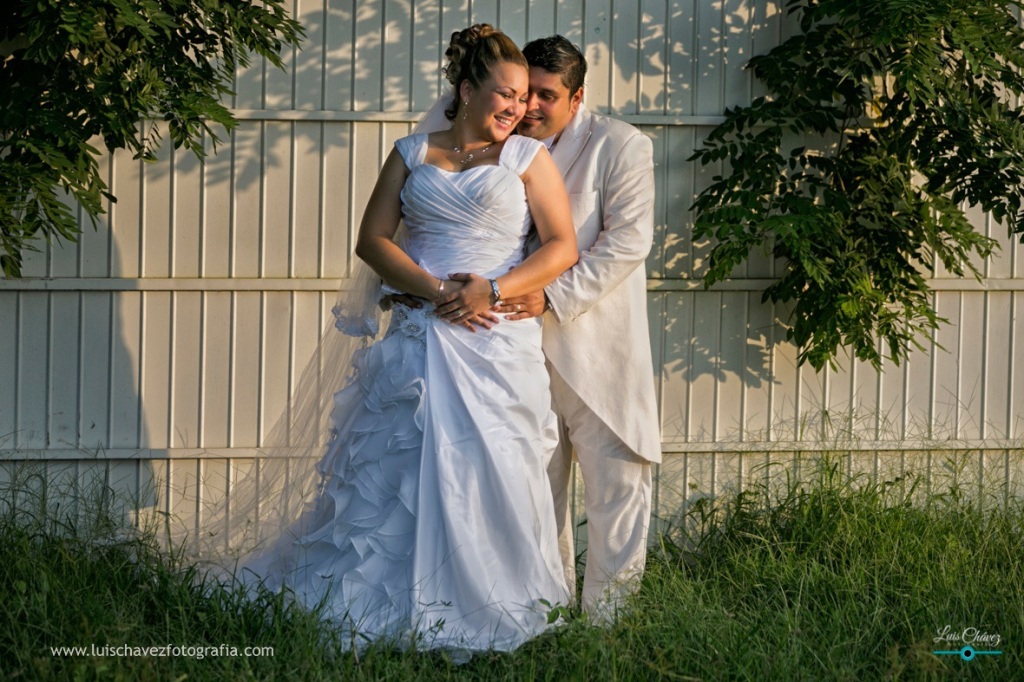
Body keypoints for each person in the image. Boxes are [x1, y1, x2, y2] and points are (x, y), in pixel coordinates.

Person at [238, 24, 577, 653]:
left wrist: (492, 291)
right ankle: (381, 603)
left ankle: (496, 604)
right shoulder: (411, 153)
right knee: (397, 473)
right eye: (505, 93)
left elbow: (562, 245)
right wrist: (432, 290)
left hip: (495, 341)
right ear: (467, 89)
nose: (518, 107)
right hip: (421, 334)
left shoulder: (530, 159)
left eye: (525, 96)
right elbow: (372, 241)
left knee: (494, 469)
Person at [489, 35, 662, 623]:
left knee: (617, 490)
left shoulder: (620, 145)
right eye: (523, 91)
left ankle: (608, 626)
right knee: (538, 494)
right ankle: (549, 614)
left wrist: (552, 296)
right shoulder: (497, 140)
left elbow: (629, 241)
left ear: (578, 95)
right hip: (515, 350)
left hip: (597, 349)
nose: (529, 106)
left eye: (546, 95)